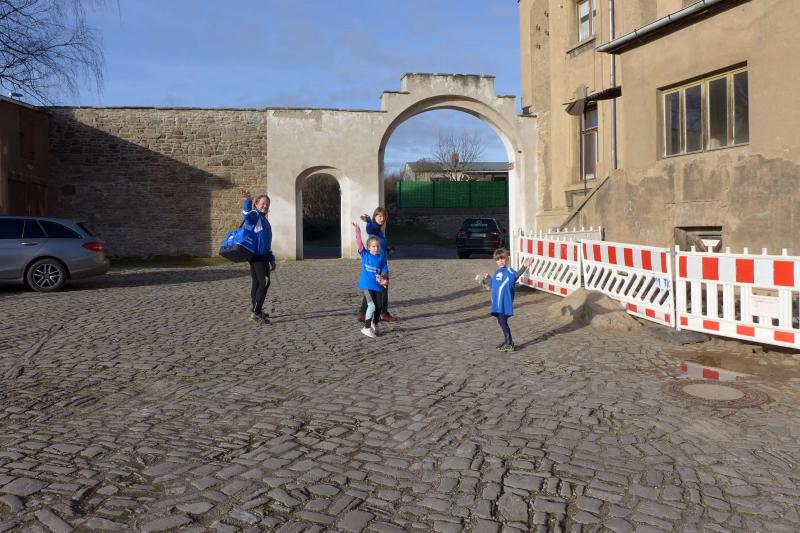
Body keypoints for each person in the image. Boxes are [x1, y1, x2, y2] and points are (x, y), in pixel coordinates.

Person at [241, 189, 276, 324]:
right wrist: (247, 202)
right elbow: (246, 216)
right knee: (265, 282)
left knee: (256, 283)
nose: (265, 206)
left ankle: (256, 309)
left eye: (267, 204)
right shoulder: (255, 215)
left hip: (261, 256)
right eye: (262, 203)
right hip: (257, 257)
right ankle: (256, 313)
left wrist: (271, 259)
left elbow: (265, 243)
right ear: (256, 204)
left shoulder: (264, 220)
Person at [358, 207, 397, 322]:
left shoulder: (380, 231)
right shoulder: (374, 228)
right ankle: (383, 313)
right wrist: (368, 221)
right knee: (382, 288)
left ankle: (363, 313)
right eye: (379, 216)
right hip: (378, 265)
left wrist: (388, 248)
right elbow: (370, 228)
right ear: (375, 216)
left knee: (372, 288)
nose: (382, 218)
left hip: (380, 262)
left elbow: (381, 245)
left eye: (384, 216)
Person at [490, 248, 533, 352]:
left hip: (504, 302)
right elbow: (493, 285)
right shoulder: (496, 272)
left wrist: (524, 266)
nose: (500, 261)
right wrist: (486, 281)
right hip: (497, 302)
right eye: (498, 259)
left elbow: (515, 276)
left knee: (502, 321)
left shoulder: (509, 271)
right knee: (501, 321)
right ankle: (507, 341)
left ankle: (509, 343)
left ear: (507, 259)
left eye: (502, 259)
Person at [353, 222, 389, 338]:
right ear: (369, 247)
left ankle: (375, 323)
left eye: (377, 246)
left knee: (379, 306)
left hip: (377, 286)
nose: (376, 248)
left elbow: (384, 270)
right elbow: (359, 243)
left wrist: (384, 280)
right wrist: (358, 231)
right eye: (373, 246)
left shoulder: (381, 258)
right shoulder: (365, 255)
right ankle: (366, 328)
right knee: (372, 306)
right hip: (367, 285)